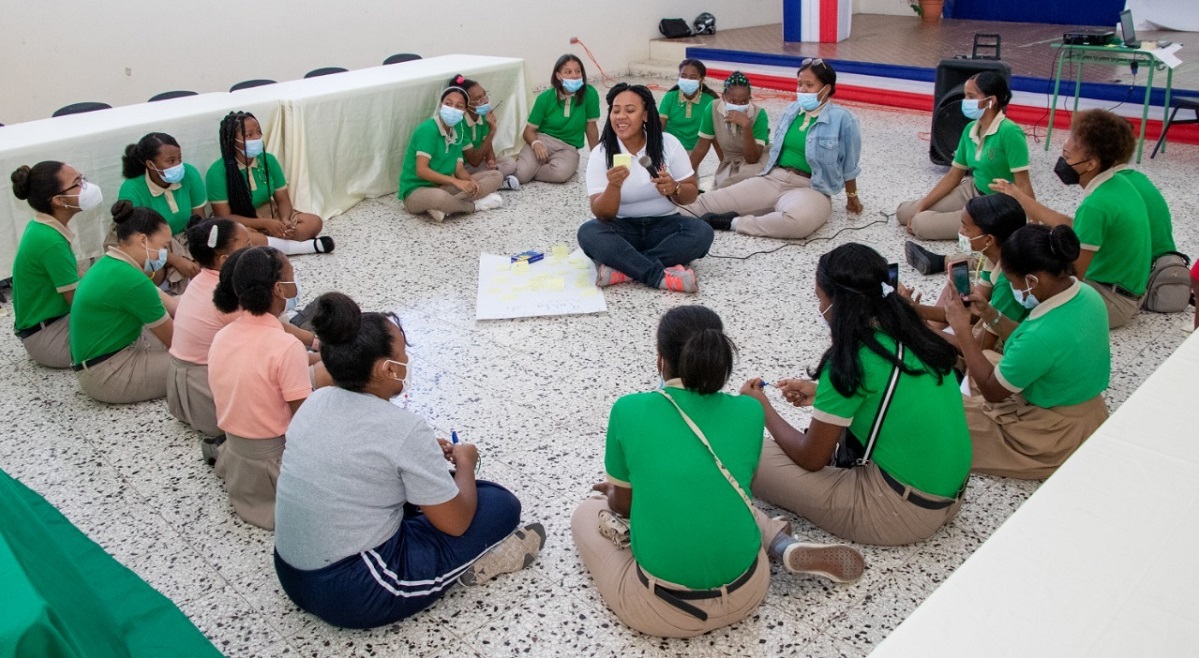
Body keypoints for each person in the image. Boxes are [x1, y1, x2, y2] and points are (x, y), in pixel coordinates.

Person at [572, 305, 863, 638]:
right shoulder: (750, 411)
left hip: (666, 609)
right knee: (723, 491)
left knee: (587, 512)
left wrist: (614, 493)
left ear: (661, 360)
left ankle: (773, 542)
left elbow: (623, 507)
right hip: (750, 588)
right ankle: (779, 543)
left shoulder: (629, 409)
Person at [274, 292, 545, 629]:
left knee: (442, 492)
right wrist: (465, 463)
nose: (408, 359)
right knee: (499, 504)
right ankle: (476, 562)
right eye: (404, 352)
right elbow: (456, 524)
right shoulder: (404, 429)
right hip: (354, 590)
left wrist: (423, 456)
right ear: (388, 368)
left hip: (291, 573)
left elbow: (358, 461)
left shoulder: (316, 400)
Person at [744, 244, 971, 546]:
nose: (820, 309)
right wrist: (821, 393)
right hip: (949, 497)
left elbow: (811, 459)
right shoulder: (916, 334)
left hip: (899, 513)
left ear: (839, 304)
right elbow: (887, 394)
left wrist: (762, 409)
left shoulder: (849, 363)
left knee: (747, 449)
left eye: (820, 299)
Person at [946, 224, 1110, 479]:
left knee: (944, 422)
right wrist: (990, 314)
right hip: (1086, 409)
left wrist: (963, 332)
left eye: (1013, 282)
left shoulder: (1041, 336)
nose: (1013, 288)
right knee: (987, 358)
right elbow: (1032, 342)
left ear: (1032, 281)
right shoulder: (1087, 295)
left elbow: (992, 393)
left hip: (1055, 433)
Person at [991, 109, 1150, 329]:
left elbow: (1072, 277)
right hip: (1123, 292)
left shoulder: (1096, 205)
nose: (1062, 158)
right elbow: (1071, 225)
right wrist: (1017, 194)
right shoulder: (1118, 183)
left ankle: (991, 329)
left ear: (1091, 164)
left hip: (1112, 302)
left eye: (1067, 157)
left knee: (1017, 275)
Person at [684, 58, 862, 239]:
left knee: (797, 222)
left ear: (827, 88)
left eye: (809, 85)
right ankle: (666, 217)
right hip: (774, 178)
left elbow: (849, 165)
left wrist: (852, 196)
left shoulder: (843, 119)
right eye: (800, 84)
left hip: (811, 188)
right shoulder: (792, 110)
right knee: (705, 203)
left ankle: (733, 222)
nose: (802, 90)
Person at [207, 246, 312, 529]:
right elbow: (304, 424)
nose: (295, 283)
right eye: (291, 277)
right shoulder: (286, 346)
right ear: (279, 289)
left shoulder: (222, 336)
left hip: (237, 455)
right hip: (274, 462)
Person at [576, 83, 714, 293]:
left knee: (702, 232)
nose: (621, 117)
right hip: (622, 228)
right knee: (588, 233)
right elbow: (602, 214)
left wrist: (675, 187)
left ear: (646, 115)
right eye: (616, 110)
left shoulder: (669, 144)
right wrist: (614, 186)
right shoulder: (601, 153)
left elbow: (691, 194)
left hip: (664, 226)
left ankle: (626, 268)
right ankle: (657, 275)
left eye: (630, 110)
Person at [896, 72, 1033, 240]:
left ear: (991, 100)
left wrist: (1030, 226)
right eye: (965, 95)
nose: (965, 101)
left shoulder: (1010, 132)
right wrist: (921, 207)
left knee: (920, 225)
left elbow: (1024, 184)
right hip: (972, 190)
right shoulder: (970, 129)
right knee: (904, 212)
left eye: (971, 96)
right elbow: (953, 175)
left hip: (995, 206)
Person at [69, 201, 173, 403]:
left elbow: (174, 306)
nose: (165, 254)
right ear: (143, 240)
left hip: (95, 365)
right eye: (164, 246)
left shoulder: (111, 263)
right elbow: (174, 340)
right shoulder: (132, 280)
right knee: (201, 363)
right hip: (108, 375)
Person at [904, 194, 1030, 352]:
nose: (960, 231)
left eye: (965, 227)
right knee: (953, 290)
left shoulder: (1008, 283)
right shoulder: (994, 257)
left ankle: (926, 335)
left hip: (1007, 349)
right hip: (989, 329)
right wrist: (916, 309)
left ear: (988, 240)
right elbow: (974, 310)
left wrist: (924, 329)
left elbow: (980, 348)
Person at [166, 218, 252, 442]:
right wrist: (315, 351)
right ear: (225, 259)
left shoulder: (199, 280)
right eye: (248, 246)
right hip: (208, 399)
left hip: (182, 391)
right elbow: (269, 344)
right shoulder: (227, 296)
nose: (255, 252)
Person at [206, 111, 334, 256]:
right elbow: (225, 217)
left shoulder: (268, 160)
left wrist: (285, 221)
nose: (256, 138)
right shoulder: (217, 172)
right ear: (232, 140)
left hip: (269, 212)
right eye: (249, 135)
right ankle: (303, 247)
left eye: (258, 132)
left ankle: (273, 245)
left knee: (314, 222)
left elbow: (283, 199)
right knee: (243, 241)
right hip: (241, 221)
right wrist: (264, 224)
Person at [9, 162, 87, 368]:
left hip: (54, 324)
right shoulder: (50, 241)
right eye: (78, 183)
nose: (85, 187)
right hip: (50, 338)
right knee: (132, 322)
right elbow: (79, 302)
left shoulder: (43, 227)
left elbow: (76, 275)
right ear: (59, 200)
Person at [398, 85, 504, 222]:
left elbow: (459, 169)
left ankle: (446, 206)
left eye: (459, 106)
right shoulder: (428, 129)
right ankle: (473, 206)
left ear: (464, 111)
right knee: (440, 198)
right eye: (448, 104)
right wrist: (456, 182)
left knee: (496, 176)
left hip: (442, 186)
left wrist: (470, 181)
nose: (453, 109)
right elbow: (421, 170)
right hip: (415, 192)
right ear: (440, 105)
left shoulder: (457, 130)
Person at [118, 132, 206, 290]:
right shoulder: (132, 189)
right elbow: (138, 241)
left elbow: (199, 221)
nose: (178, 165)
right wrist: (175, 260)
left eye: (179, 159)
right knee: (152, 268)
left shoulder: (189, 173)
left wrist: (200, 253)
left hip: (186, 236)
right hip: (150, 244)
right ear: (150, 164)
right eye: (170, 161)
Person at [513, 54, 601, 185]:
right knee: (521, 174)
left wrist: (597, 158)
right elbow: (528, 131)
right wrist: (536, 144)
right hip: (543, 140)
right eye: (568, 72)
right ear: (559, 75)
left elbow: (591, 127)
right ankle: (525, 171)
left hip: (568, 147)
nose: (574, 76)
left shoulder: (590, 94)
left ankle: (531, 170)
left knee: (560, 174)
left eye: (578, 71)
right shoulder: (545, 98)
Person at [689, 71, 769, 190]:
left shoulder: (759, 115)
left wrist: (746, 126)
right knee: (722, 190)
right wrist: (685, 174)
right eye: (732, 101)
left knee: (744, 185)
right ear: (723, 97)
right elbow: (701, 147)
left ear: (750, 99)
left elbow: (752, 159)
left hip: (756, 165)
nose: (738, 106)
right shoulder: (714, 108)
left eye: (744, 102)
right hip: (730, 164)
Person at [453, 74, 520, 191]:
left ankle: (492, 181)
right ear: (466, 105)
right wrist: (492, 131)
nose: (485, 100)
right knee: (487, 173)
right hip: (464, 167)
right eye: (479, 99)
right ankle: (494, 182)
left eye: (485, 94)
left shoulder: (482, 116)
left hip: (479, 164)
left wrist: (491, 161)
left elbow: (489, 150)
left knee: (510, 163)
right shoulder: (459, 123)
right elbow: (474, 161)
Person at [658, 58, 718, 152]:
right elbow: (659, 126)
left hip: (695, 151)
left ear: (701, 79)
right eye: (683, 76)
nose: (687, 80)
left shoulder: (709, 101)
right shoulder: (669, 97)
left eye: (692, 77)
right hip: (668, 148)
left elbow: (713, 135)